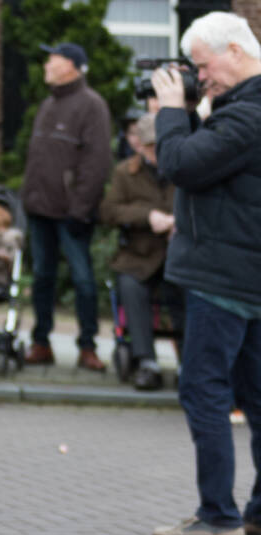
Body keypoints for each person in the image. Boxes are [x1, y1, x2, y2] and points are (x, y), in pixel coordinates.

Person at [150, 12, 261, 535]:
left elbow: (180, 164)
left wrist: (172, 112)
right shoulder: (241, 110)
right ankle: (256, 514)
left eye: (202, 65)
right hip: (245, 276)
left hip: (224, 278)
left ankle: (218, 516)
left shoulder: (249, 114)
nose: (199, 76)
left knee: (204, 390)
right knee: (256, 397)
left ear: (235, 50)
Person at [21, 42, 112, 371]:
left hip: (72, 214)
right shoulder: (48, 104)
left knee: (83, 280)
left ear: (71, 65)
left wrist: (80, 209)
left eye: (53, 59)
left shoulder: (92, 106)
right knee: (42, 278)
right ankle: (41, 342)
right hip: (40, 211)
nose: (47, 64)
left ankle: (88, 346)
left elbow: (97, 163)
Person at [99, 112, 182, 390]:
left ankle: (188, 363)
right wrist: (147, 216)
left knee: (188, 292)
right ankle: (147, 362)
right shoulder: (126, 172)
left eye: (159, 147)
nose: (155, 153)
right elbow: (109, 211)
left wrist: (177, 222)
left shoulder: (184, 170)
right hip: (139, 255)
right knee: (131, 287)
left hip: (177, 255)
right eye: (149, 147)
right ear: (141, 147)